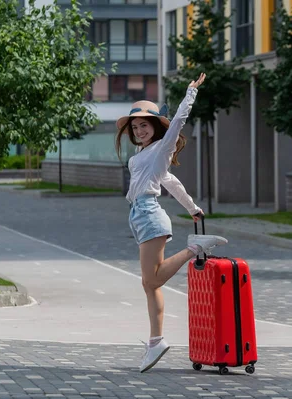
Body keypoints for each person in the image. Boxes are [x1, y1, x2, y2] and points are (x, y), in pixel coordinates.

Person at [115, 72, 228, 373]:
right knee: (148, 283)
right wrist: (192, 207)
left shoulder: (162, 147)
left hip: (150, 214)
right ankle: (155, 342)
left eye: (144, 125)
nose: (139, 130)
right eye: (135, 126)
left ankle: (194, 248)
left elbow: (177, 122)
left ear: (155, 127)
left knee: (152, 280)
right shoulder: (144, 155)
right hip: (140, 216)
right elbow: (172, 181)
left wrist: (190, 94)